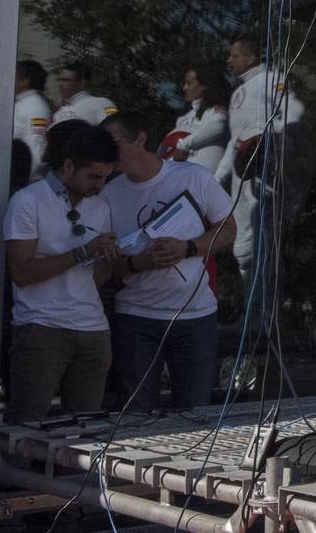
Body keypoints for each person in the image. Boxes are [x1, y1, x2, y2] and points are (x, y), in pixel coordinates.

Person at [102, 111, 236, 411]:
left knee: (193, 412)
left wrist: (189, 247)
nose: (108, 151)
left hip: (194, 314)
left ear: (140, 138)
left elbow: (228, 229)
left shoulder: (192, 176)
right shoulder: (107, 195)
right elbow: (106, 267)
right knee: (136, 415)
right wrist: (140, 262)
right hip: (136, 316)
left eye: (114, 141)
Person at [2, 126, 120, 423]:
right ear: (68, 166)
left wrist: (106, 258)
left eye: (106, 177)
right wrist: (82, 253)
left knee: (87, 430)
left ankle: (73, 472)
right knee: (27, 424)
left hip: (92, 328)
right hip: (42, 326)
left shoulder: (100, 205)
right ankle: (14, 471)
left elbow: (96, 277)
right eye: (93, 176)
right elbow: (22, 271)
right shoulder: (28, 201)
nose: (100, 185)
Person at [214, 36, 303, 296]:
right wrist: (217, 177)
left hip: (265, 173)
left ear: (251, 57)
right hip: (242, 176)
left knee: (261, 243)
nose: (229, 61)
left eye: (234, 55)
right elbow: (235, 140)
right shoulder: (239, 91)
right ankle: (251, 317)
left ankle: (265, 317)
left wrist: (269, 144)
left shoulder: (270, 79)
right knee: (242, 247)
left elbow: (292, 114)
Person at [169, 65, 231, 174]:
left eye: (189, 83)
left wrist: (184, 145)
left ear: (204, 85)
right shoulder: (183, 119)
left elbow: (218, 127)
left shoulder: (216, 111)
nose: (184, 88)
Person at [13, 59, 52, 181]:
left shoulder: (35, 106)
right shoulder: (20, 103)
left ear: (25, 81)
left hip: (23, 178)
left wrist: (24, 179)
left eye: (14, 75)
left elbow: (35, 145)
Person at [51, 62, 117, 126]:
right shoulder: (61, 110)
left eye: (66, 80)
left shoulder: (103, 103)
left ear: (83, 84)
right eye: (60, 80)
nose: (60, 84)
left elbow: (116, 130)